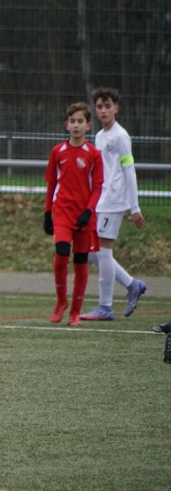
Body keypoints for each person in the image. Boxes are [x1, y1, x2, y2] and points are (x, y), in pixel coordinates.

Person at [80, 87, 147, 321]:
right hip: (101, 199)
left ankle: (105, 307)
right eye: (99, 107)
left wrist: (134, 206)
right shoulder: (99, 136)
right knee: (92, 253)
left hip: (114, 200)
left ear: (116, 109)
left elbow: (129, 170)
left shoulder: (120, 136)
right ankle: (132, 284)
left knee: (102, 251)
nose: (103, 111)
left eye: (107, 106)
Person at [43, 102, 103, 327]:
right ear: (66, 125)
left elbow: (98, 187)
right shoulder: (57, 151)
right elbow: (51, 184)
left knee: (80, 262)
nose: (76, 125)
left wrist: (88, 211)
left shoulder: (93, 154)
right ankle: (61, 301)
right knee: (61, 255)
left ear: (88, 126)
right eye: (72, 121)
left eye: (80, 121)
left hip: (84, 216)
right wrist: (47, 213)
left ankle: (75, 312)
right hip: (62, 213)